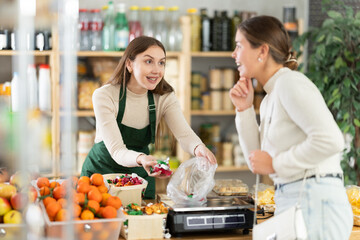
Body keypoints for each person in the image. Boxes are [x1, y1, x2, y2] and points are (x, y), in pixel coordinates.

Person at [229, 16, 352, 239]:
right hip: (295, 200)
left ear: (262, 51)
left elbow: (331, 140)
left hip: (314, 200)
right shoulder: (269, 98)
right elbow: (257, 162)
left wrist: (276, 163)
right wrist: (244, 110)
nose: (233, 54)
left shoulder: (290, 83)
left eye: (239, 46)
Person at [81, 36, 216, 199]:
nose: (157, 70)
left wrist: (198, 148)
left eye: (161, 63)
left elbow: (184, 135)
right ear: (129, 64)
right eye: (148, 61)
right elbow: (117, 150)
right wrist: (141, 158)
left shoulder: (164, 97)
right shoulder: (105, 95)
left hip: (139, 178)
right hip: (100, 176)